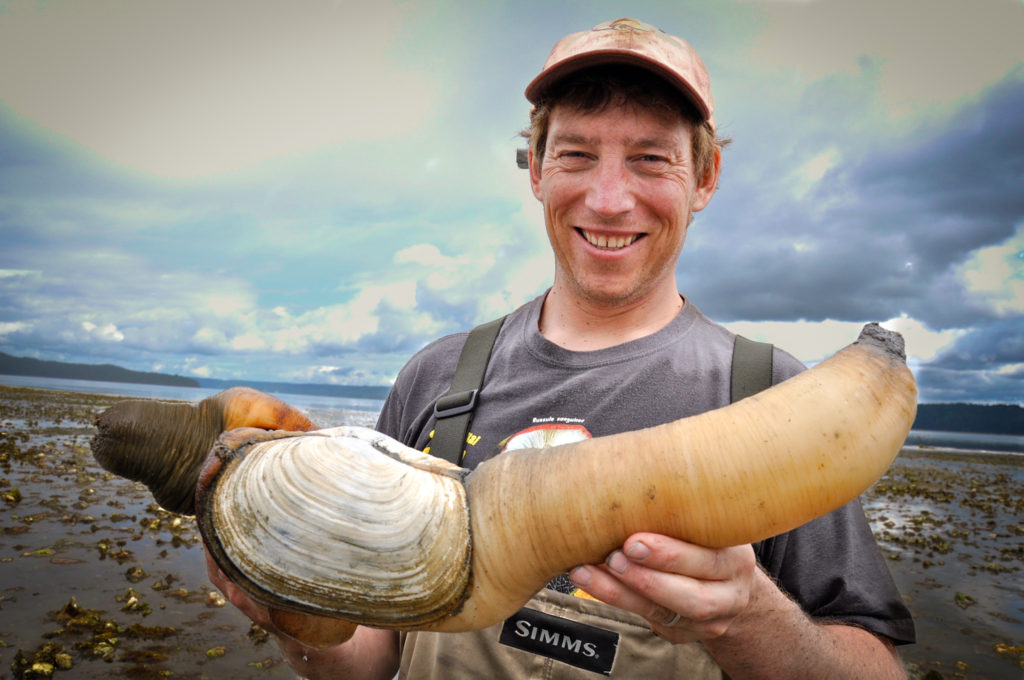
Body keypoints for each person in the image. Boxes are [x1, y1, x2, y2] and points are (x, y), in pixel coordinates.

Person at [208, 17, 915, 679]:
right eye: (577, 154)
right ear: (537, 171)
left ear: (703, 180)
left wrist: (749, 617)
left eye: (650, 159)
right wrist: (287, 609)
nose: (609, 199)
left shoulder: (775, 400)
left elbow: (876, 664)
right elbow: (369, 655)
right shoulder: (436, 378)